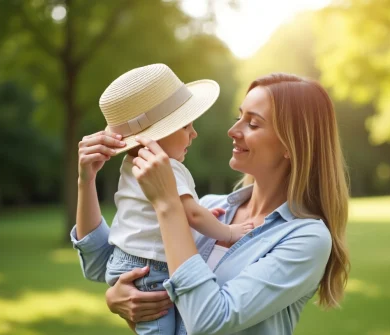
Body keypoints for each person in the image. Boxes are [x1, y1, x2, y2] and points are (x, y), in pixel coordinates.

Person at [72, 72, 350, 335]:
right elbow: (101, 266)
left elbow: (209, 320)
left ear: (292, 144)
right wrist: (86, 180)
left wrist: (167, 204)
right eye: (238, 117)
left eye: (252, 124)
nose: (232, 130)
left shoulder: (306, 238)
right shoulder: (207, 207)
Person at [76, 63, 253, 335]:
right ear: (154, 135)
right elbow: (192, 213)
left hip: (126, 263)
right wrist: (229, 231)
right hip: (152, 272)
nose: (193, 134)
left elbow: (179, 214)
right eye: (185, 126)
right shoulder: (167, 167)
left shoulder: (130, 164)